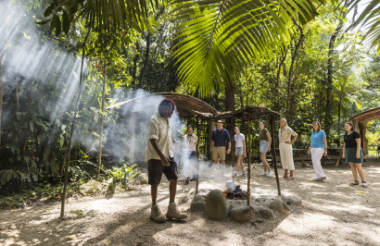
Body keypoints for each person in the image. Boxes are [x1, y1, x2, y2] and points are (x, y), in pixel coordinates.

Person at [145, 99, 187, 223]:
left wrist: (174, 141)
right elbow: (153, 140)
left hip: (169, 154)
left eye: (173, 111)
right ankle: (154, 209)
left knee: (174, 177)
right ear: (164, 108)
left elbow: (168, 133)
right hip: (156, 156)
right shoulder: (153, 120)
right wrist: (162, 156)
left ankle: (171, 208)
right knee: (155, 182)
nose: (172, 113)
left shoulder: (166, 120)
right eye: (171, 110)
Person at [342, 122, 367, 188]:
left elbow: (359, 143)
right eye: (345, 126)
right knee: (352, 166)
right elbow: (344, 144)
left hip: (356, 150)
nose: (346, 127)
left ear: (351, 126)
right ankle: (356, 181)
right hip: (349, 151)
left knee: (358, 167)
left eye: (347, 126)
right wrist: (344, 153)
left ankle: (363, 182)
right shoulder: (346, 134)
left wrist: (358, 152)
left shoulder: (355, 133)